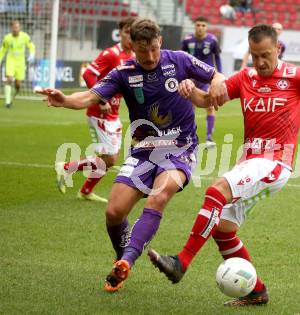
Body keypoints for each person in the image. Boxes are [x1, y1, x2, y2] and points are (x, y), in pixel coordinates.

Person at [148, 24, 300, 306]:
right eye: (255, 56)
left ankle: (181, 262)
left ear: (277, 49)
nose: (260, 62)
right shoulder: (245, 77)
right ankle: (256, 291)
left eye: (265, 55)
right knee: (223, 229)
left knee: (215, 191)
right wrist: (190, 89)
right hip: (251, 161)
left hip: (275, 163)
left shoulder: (297, 76)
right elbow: (208, 100)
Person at [38, 18, 226, 293]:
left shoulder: (180, 60)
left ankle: (126, 261)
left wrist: (217, 84)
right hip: (143, 150)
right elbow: (89, 97)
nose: (149, 56)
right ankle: (122, 256)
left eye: (153, 48)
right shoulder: (123, 72)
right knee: (114, 212)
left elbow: (216, 76)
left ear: (160, 41)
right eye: (142, 50)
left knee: (159, 196)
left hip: (180, 149)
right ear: (132, 46)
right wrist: (64, 100)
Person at [55, 17, 136, 203]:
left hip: (113, 113)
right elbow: (88, 73)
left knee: (107, 158)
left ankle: (85, 191)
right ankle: (66, 168)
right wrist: (101, 99)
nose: (130, 36)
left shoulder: (132, 56)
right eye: (126, 32)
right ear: (120, 33)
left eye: (133, 32)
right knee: (110, 159)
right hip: (99, 112)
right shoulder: (111, 54)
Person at [181, 16, 222, 148]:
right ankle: (189, 136)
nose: (200, 28)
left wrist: (218, 75)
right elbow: (181, 58)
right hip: (191, 78)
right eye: (198, 25)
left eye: (203, 25)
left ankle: (209, 138)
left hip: (206, 78)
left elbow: (217, 57)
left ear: (206, 27)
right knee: (189, 108)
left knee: (210, 106)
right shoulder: (187, 40)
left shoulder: (212, 40)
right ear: (195, 26)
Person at [0, 20, 35, 108]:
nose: (16, 29)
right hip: (10, 62)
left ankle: (12, 96)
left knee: (18, 84)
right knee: (9, 79)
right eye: (14, 27)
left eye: (17, 27)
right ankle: (7, 102)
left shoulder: (25, 36)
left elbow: (31, 46)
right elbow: (3, 50)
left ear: (20, 28)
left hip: (21, 64)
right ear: (11, 28)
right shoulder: (7, 38)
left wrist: (32, 54)